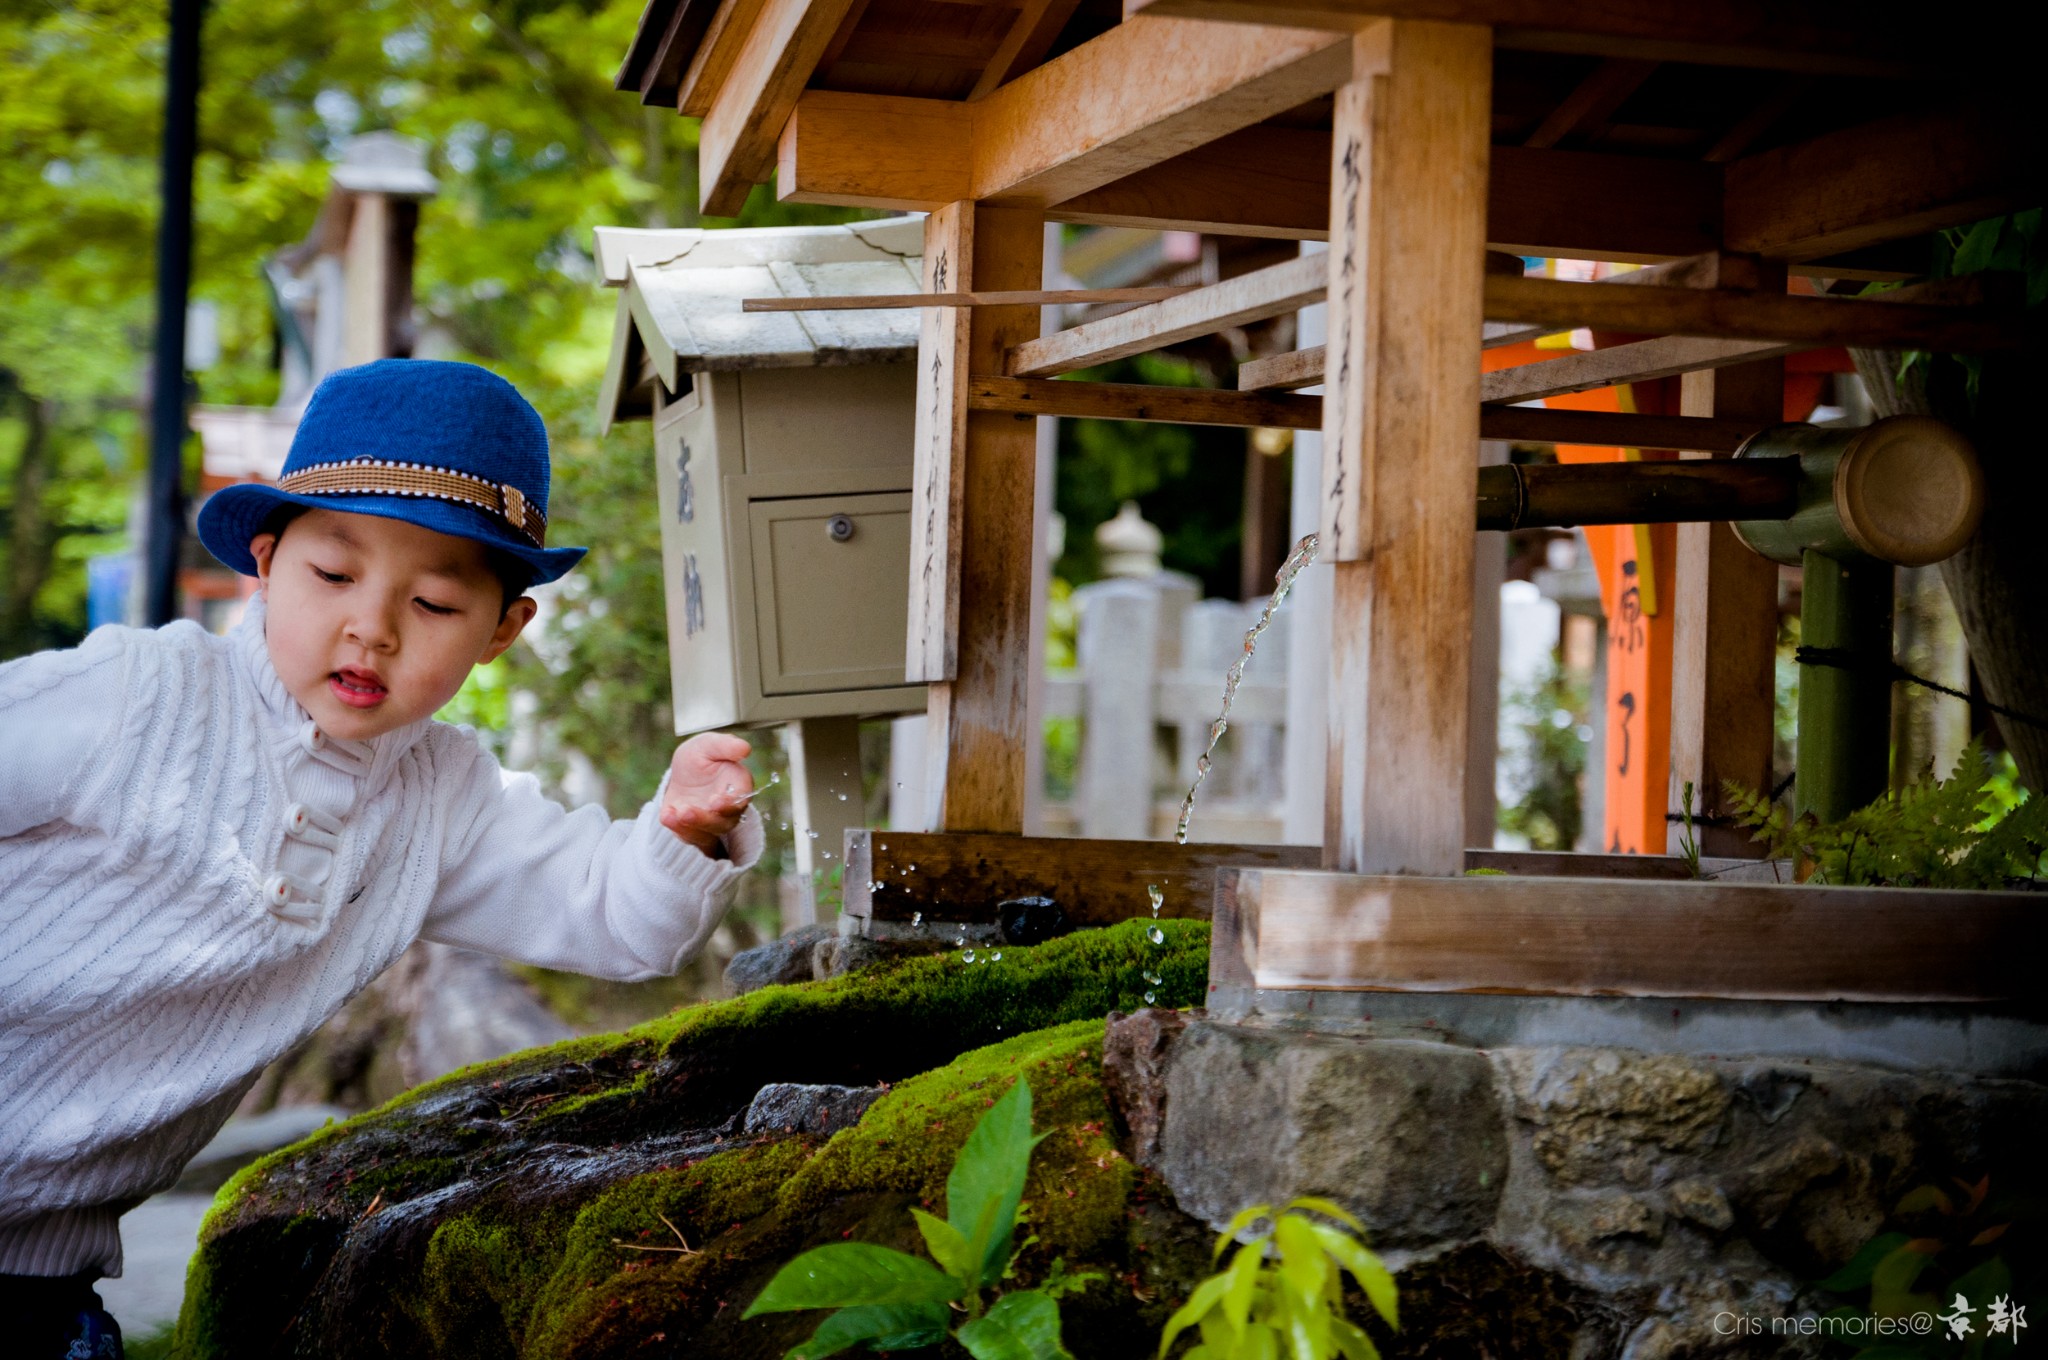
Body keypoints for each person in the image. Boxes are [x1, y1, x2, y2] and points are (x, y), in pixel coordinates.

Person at [0, 359, 760, 1355]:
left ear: (502, 629)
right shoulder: (138, 699)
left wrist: (682, 830)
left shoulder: (441, 804)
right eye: (332, 575)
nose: (373, 625)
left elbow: (615, 916)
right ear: (265, 563)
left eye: (437, 603)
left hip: (38, 1281)